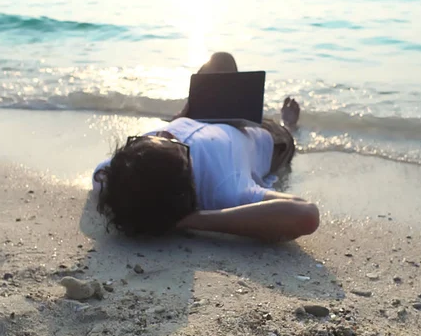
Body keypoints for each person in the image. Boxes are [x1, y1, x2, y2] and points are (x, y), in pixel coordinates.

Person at [93, 53, 318, 242]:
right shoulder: (224, 190)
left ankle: (190, 111)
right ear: (186, 169)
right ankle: (288, 122)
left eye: (151, 139)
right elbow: (306, 215)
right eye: (173, 142)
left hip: (202, 117)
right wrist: (191, 220)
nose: (164, 133)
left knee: (220, 60)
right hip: (259, 136)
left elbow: (101, 175)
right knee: (284, 137)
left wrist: (181, 120)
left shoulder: (121, 174)